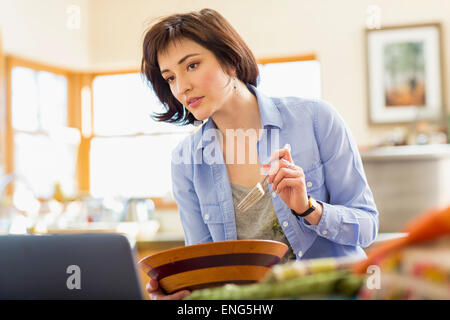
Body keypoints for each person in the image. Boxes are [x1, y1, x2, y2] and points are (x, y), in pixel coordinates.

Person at [141, 8, 379, 300]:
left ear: (230, 60)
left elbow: (367, 227)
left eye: (191, 66)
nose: (181, 87)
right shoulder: (187, 162)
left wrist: (309, 208)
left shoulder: (317, 119)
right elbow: (206, 271)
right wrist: (180, 295)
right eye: (170, 78)